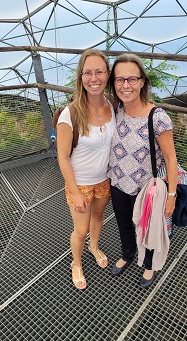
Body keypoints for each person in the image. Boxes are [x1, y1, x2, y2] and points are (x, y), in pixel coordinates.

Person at [107, 53, 178, 289]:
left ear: (142, 82)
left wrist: (171, 195)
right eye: (119, 80)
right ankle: (127, 254)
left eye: (131, 79)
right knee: (124, 223)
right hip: (117, 182)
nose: (125, 85)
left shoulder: (157, 117)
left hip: (145, 188)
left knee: (147, 228)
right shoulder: (117, 110)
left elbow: (170, 158)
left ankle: (148, 264)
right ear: (114, 83)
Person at [56, 49, 116, 290]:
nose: (94, 78)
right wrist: (76, 192)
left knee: (99, 217)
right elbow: (62, 157)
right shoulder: (70, 115)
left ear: (108, 74)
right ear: (80, 77)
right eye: (88, 72)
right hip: (79, 183)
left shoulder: (113, 105)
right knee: (80, 230)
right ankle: (76, 262)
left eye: (99, 72)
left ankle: (94, 247)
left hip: (105, 179)